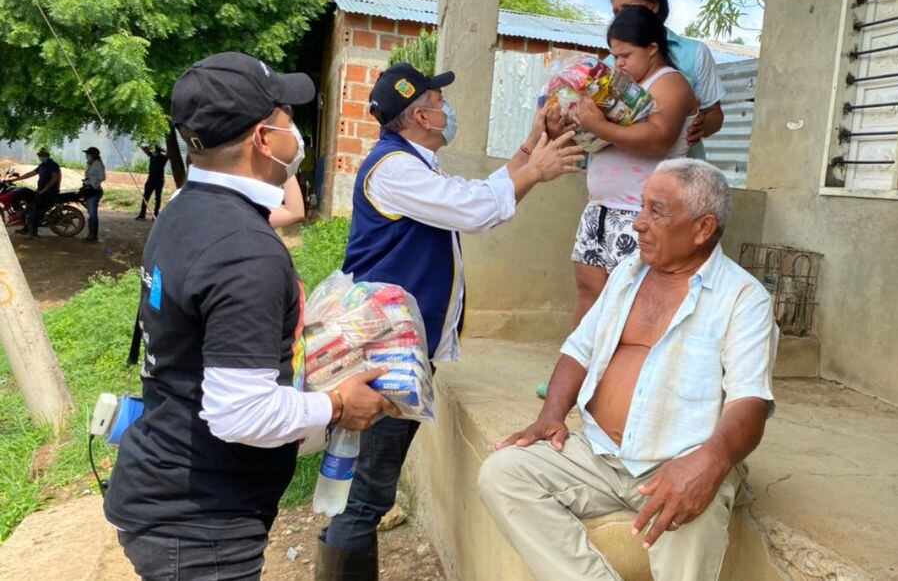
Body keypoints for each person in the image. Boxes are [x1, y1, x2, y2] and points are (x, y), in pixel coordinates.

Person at [104, 52, 399, 581]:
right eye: (285, 115)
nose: (295, 129)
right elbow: (239, 414)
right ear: (263, 139)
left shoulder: (184, 212)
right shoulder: (245, 250)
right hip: (200, 525)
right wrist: (337, 403)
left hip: (167, 490)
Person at [320, 63, 585, 579]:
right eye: (439, 101)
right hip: (383, 355)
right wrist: (536, 169)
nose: (447, 108)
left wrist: (530, 149)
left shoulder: (411, 163)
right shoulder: (394, 169)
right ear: (420, 114)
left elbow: (479, 194)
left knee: (362, 481)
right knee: (367, 491)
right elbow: (474, 210)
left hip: (391, 347)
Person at [479, 159, 777, 581]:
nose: (637, 224)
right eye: (641, 207)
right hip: (598, 454)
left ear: (703, 228)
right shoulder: (627, 273)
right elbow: (578, 349)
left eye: (656, 211)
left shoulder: (744, 298)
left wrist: (710, 462)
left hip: (681, 460)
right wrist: (551, 415)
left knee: (696, 513)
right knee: (504, 473)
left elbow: (751, 401)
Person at [568, 5, 698, 325]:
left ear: (653, 48)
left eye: (625, 55)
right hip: (601, 209)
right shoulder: (622, 84)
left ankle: (623, 376)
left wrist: (597, 126)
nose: (619, 63)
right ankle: (582, 374)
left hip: (641, 214)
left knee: (632, 302)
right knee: (590, 293)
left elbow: (657, 138)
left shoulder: (671, 83)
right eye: (615, 55)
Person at [609, 0, 727, 160]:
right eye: (615, 11)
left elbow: (715, 115)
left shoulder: (694, 53)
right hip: (621, 170)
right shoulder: (611, 62)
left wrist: (702, 125)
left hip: (677, 173)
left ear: (653, 6)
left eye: (627, 8)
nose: (620, 17)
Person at [14, 148, 61, 238]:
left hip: (49, 193)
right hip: (41, 192)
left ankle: (33, 234)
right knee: (28, 205)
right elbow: (31, 173)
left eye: (42, 155)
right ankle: (26, 228)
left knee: (33, 210)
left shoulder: (52, 165)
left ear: (47, 156)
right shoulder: (42, 165)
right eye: (40, 155)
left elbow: (55, 179)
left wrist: (44, 190)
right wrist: (16, 179)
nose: (41, 157)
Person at [80, 147, 106, 242]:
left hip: (94, 190)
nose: (87, 156)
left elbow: (102, 177)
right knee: (91, 213)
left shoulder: (98, 164)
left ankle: (93, 236)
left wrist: (93, 183)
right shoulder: (90, 164)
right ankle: (92, 235)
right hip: (89, 189)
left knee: (93, 214)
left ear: (93, 155)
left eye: (88, 154)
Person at [136, 145, 168, 219]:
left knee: (158, 197)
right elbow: (143, 148)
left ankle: (155, 214)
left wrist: (163, 150)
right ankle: (142, 214)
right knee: (146, 196)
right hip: (151, 179)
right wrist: (149, 146)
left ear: (158, 152)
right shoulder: (152, 156)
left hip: (159, 180)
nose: (154, 152)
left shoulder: (163, 158)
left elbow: (169, 154)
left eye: (156, 151)